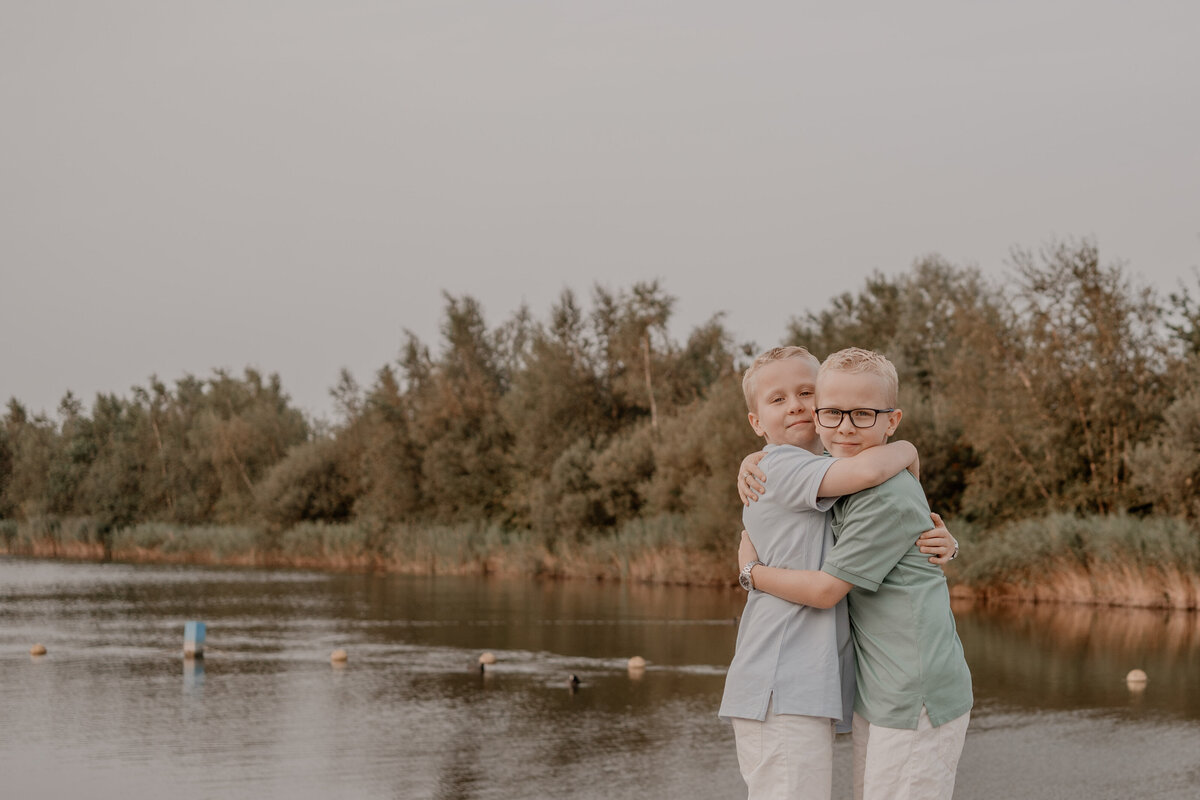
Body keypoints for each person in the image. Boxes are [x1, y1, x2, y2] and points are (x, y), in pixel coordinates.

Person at [719, 346, 956, 800]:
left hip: (802, 683)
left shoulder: (824, 473)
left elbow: (887, 517)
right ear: (756, 423)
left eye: (807, 393)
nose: (796, 406)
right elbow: (872, 468)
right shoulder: (781, 467)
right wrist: (906, 447)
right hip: (781, 678)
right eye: (778, 399)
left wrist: (947, 542)